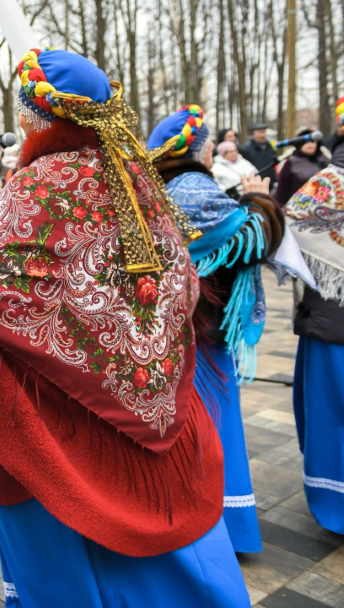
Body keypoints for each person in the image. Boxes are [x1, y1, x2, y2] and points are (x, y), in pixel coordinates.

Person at [0, 49, 250, 606]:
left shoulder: (39, 185)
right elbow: (181, 285)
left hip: (61, 434)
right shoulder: (139, 183)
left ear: (34, 117)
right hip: (162, 427)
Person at [149, 104, 286, 555]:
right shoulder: (193, 189)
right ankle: (222, 526)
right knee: (214, 427)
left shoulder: (151, 191)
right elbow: (252, 242)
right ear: (202, 149)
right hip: (203, 334)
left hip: (168, 333)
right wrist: (258, 199)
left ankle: (185, 519)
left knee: (184, 429)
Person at [285, 152, 344, 534]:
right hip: (332, 318)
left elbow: (291, 222)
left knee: (331, 410)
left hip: (332, 315)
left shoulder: (332, 180)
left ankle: (335, 502)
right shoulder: (333, 179)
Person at [275, 127, 329, 205]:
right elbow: (282, 190)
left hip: (322, 208)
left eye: (313, 142)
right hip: (296, 208)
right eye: (306, 142)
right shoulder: (291, 162)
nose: (310, 145)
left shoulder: (325, 160)